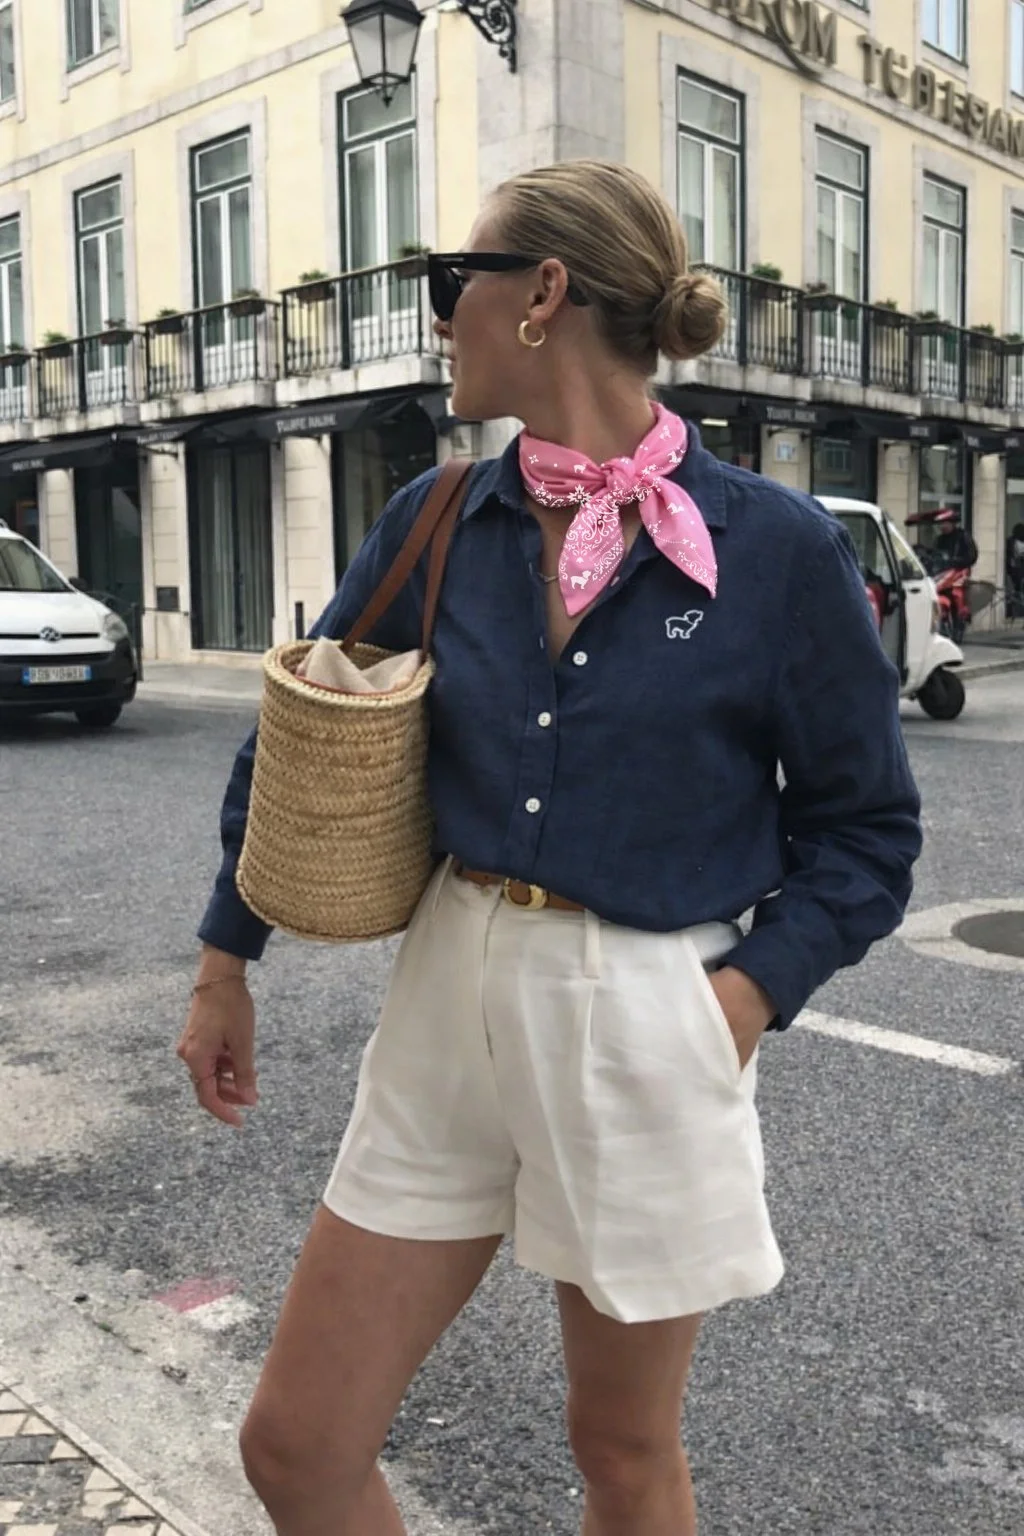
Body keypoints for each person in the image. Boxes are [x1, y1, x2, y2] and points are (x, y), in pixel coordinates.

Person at [178, 160, 922, 1536]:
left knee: (622, 1453)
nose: (436, 316)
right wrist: (228, 958)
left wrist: (738, 1003)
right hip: (446, 988)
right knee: (297, 1444)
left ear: (543, 296)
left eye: (450, 284)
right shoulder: (439, 516)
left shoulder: (776, 550)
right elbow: (304, 743)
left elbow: (867, 833)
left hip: (650, 1004)